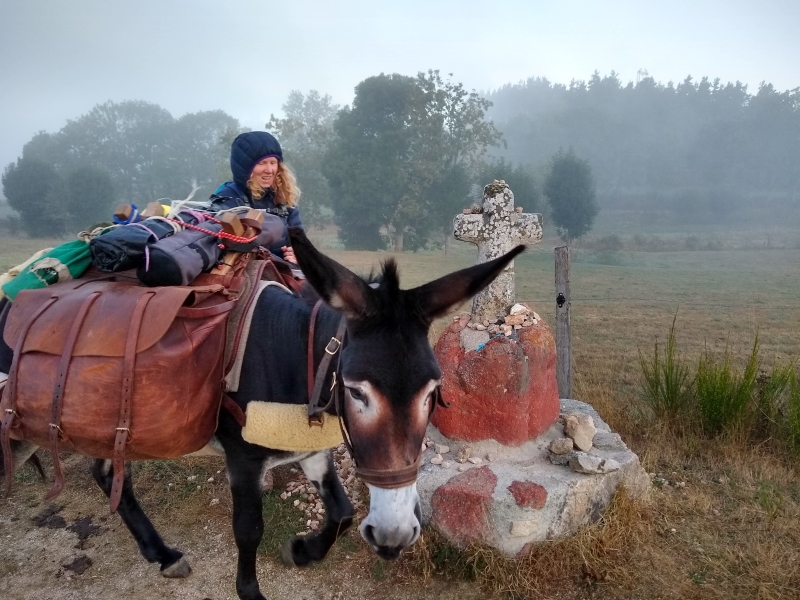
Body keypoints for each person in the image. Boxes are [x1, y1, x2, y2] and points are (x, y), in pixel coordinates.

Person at [211, 131, 302, 263]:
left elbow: (300, 241)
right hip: (245, 273)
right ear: (244, 168)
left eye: (273, 162)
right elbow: (221, 247)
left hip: (285, 270)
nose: (269, 170)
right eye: (262, 163)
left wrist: (299, 255)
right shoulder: (227, 200)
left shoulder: (284, 198)